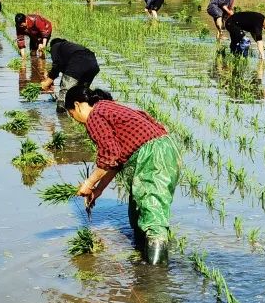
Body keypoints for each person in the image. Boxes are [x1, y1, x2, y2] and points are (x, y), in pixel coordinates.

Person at [66, 86, 180, 265]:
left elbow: (109, 156)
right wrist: (98, 190)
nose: (77, 121)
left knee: (152, 216)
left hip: (153, 156)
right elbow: (116, 161)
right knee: (137, 214)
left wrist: (88, 183)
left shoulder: (95, 115)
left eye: (72, 115)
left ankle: (155, 279)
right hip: (162, 151)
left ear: (77, 105)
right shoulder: (108, 108)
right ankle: (142, 264)